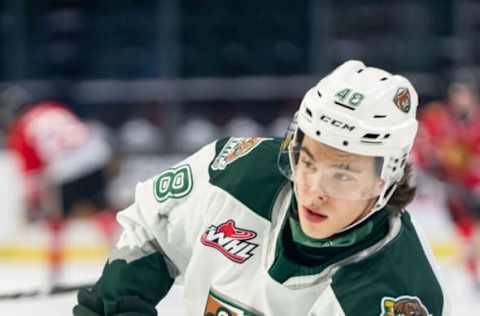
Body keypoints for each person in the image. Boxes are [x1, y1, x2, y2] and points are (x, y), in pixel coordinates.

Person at [73, 60, 448, 316]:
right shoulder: (236, 173)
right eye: (308, 160)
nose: (313, 189)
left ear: (385, 180)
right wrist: (118, 302)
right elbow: (153, 228)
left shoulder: (393, 293)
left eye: (343, 174)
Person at [413, 80, 480, 287]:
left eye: (463, 95)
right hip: (456, 188)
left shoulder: (474, 125)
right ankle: (473, 272)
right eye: (455, 96)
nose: (459, 101)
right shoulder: (441, 121)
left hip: (472, 186)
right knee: (465, 230)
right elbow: (428, 150)